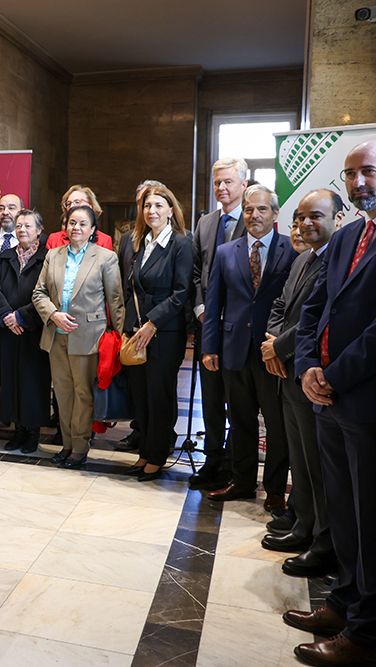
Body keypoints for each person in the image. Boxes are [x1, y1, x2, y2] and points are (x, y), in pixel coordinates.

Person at [285, 141, 376, 666]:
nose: (359, 182)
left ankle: (366, 633)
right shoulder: (347, 238)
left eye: (369, 172)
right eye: (351, 174)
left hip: (364, 400)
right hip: (328, 401)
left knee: (370, 520)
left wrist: (333, 375)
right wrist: (306, 368)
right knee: (343, 512)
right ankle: (343, 604)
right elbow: (315, 308)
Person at [262, 188, 342, 577]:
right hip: (287, 374)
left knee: (318, 466)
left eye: (315, 216)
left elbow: (318, 316)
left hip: (310, 375)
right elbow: (281, 306)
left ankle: (324, 542)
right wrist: (273, 345)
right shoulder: (301, 260)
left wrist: (277, 346)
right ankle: (304, 526)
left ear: (337, 220)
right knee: (301, 461)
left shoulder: (337, 262)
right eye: (300, 217)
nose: (306, 223)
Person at [202, 184, 293, 511]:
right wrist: (209, 347)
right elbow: (214, 303)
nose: (254, 215)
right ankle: (241, 482)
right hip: (234, 349)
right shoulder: (226, 252)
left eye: (262, 209)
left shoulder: (290, 249)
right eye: (249, 209)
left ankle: (274, 490)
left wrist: (281, 344)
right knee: (240, 421)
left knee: (277, 425)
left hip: (272, 353)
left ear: (275, 213)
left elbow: (293, 304)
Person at [32, 205, 124, 468]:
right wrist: (53, 314)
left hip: (89, 336)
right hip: (56, 335)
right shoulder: (53, 255)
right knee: (63, 393)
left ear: (92, 229)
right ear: (65, 226)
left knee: (83, 393)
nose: (76, 228)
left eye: (83, 223)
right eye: (72, 222)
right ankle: (67, 444)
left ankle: (80, 448)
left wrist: (120, 338)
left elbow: (115, 301)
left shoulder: (105, 258)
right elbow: (38, 293)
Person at [119, 184, 194, 482]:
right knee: (141, 397)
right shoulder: (141, 241)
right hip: (137, 332)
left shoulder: (181, 243)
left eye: (158, 206)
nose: (152, 211)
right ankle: (145, 452)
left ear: (171, 210)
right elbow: (131, 289)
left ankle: (158, 455)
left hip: (164, 333)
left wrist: (152, 323)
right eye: (147, 206)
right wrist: (130, 326)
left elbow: (181, 292)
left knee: (159, 395)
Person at [189, 158, 248, 491]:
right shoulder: (206, 222)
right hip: (208, 325)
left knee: (237, 401)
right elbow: (196, 271)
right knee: (210, 400)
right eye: (217, 183)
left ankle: (233, 463)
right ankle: (212, 460)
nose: (221, 188)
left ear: (243, 184)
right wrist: (201, 308)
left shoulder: (253, 219)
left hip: (239, 327)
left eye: (228, 182)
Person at [0, 208, 50, 454]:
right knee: (11, 380)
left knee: (32, 382)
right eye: (19, 225)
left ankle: (32, 432)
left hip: (33, 331)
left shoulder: (47, 258)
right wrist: (7, 316)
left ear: (39, 230)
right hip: (8, 331)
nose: (22, 229)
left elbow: (48, 293)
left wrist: (21, 317)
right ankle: (18, 430)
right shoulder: (5, 257)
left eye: (28, 226)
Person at [46, 185, 114, 250]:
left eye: (77, 202)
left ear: (91, 205)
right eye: (68, 204)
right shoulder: (54, 239)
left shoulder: (104, 240)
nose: (72, 206)